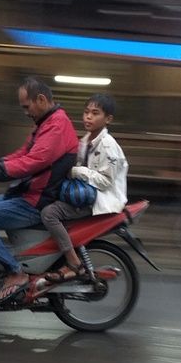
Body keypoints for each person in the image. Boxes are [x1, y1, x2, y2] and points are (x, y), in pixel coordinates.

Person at [0, 76, 78, 302]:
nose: (25, 112)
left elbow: (31, 162)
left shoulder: (57, 126)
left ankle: (15, 271)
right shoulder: (45, 124)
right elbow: (20, 155)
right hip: (26, 193)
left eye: (27, 106)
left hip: (36, 201)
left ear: (41, 99)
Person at [39, 93, 128, 283]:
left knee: (49, 213)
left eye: (95, 113)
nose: (88, 117)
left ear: (108, 119)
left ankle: (73, 263)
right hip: (85, 193)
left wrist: (79, 171)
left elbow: (105, 181)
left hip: (100, 199)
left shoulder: (108, 145)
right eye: (86, 112)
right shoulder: (86, 140)